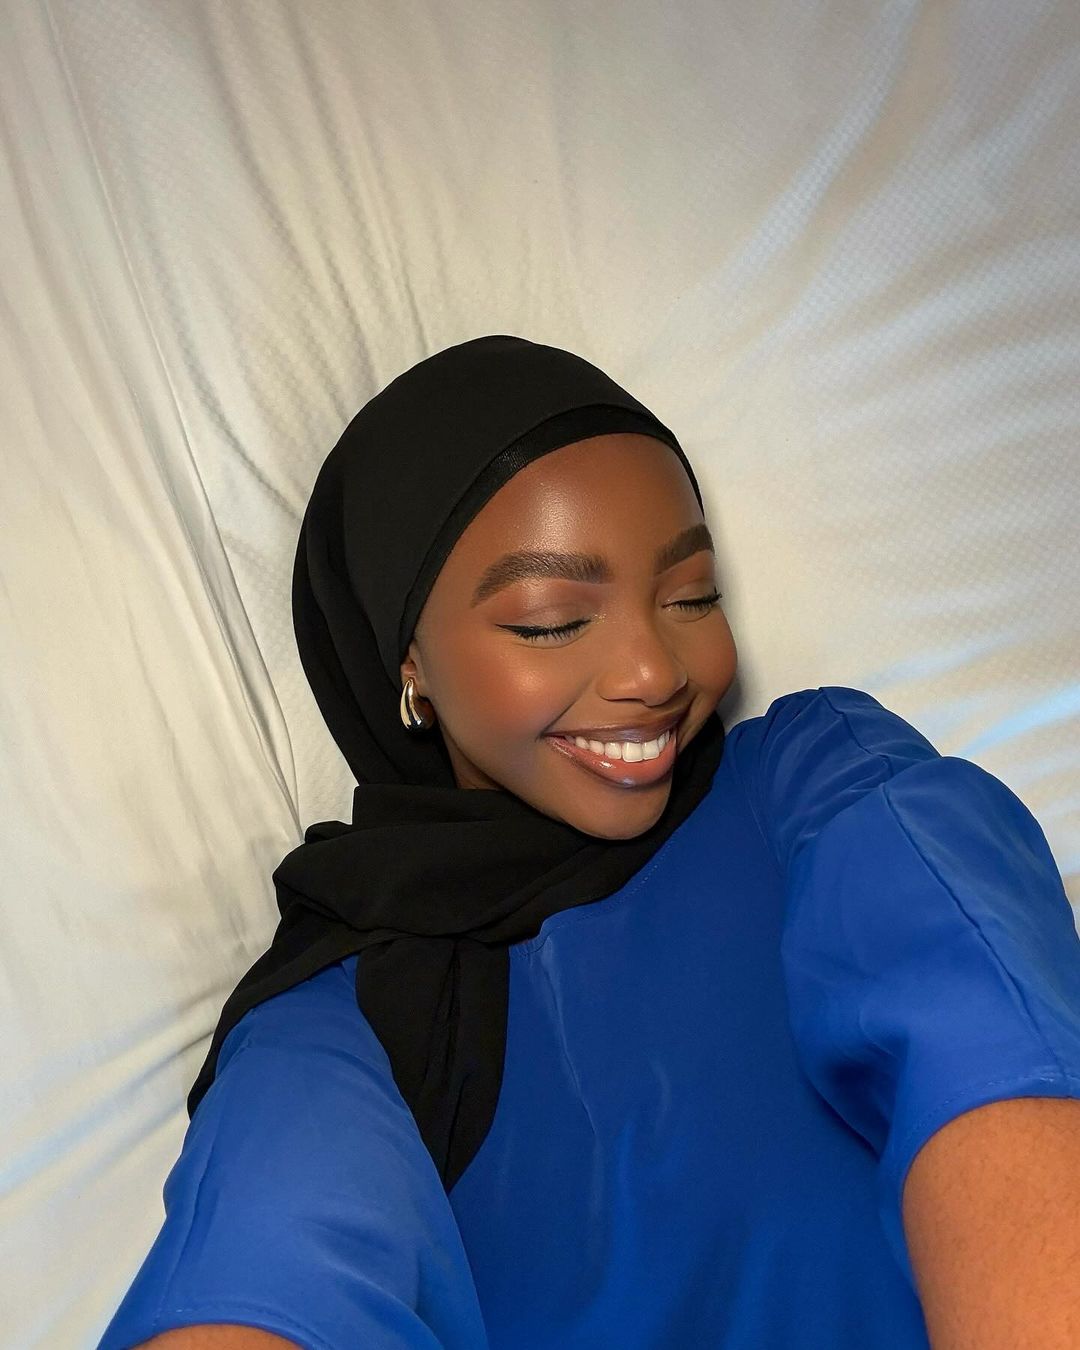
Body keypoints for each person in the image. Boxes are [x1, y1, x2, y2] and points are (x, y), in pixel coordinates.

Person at [99, 336, 1080, 1350]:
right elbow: (262, 1257)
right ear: (410, 666)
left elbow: (980, 1014)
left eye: (690, 596)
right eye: (552, 621)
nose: (653, 670)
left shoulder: (809, 786)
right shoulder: (338, 1014)